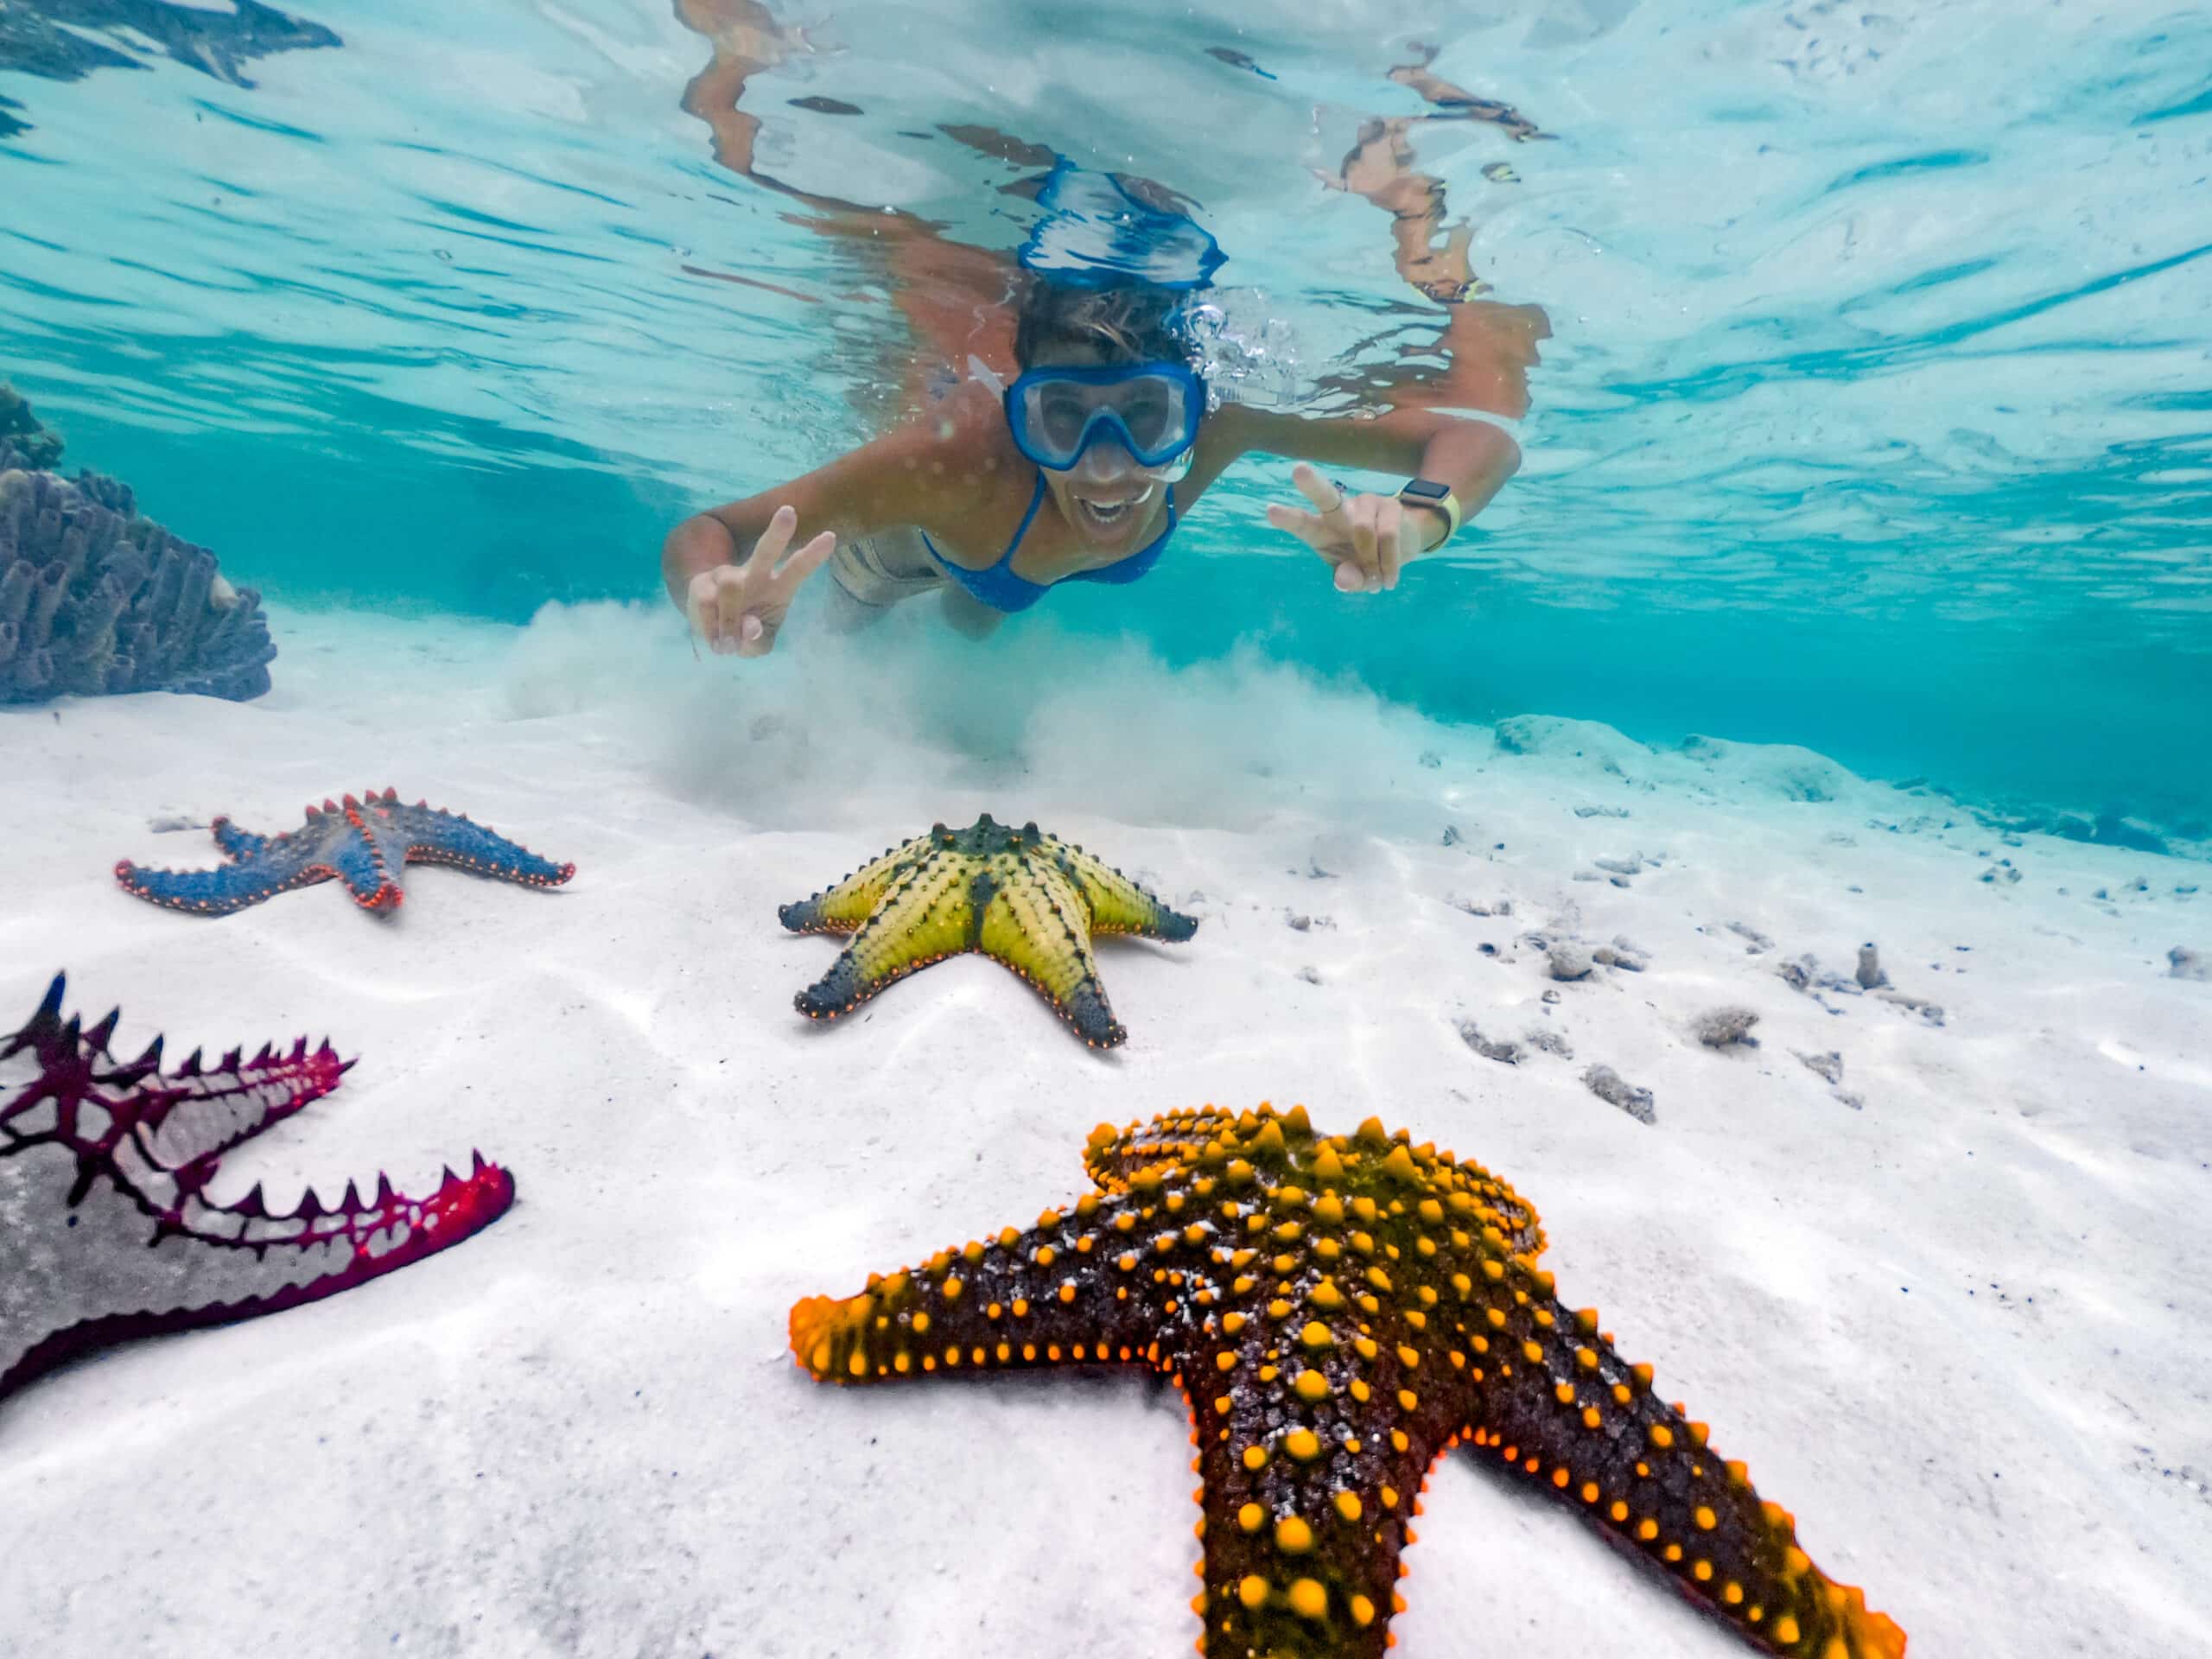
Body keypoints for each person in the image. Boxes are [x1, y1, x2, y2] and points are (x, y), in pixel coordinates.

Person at [661, 276, 1526, 657]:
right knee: (845, 637)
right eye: (1062, 418)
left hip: (1000, 573)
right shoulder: (952, 459)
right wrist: (716, 597)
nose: (1106, 469)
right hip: (905, 553)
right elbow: (711, 531)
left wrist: (1420, 518)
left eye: (1147, 417)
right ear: (1019, 414)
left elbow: (1481, 439)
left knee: (972, 627)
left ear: (1192, 408)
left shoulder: (1223, 425)